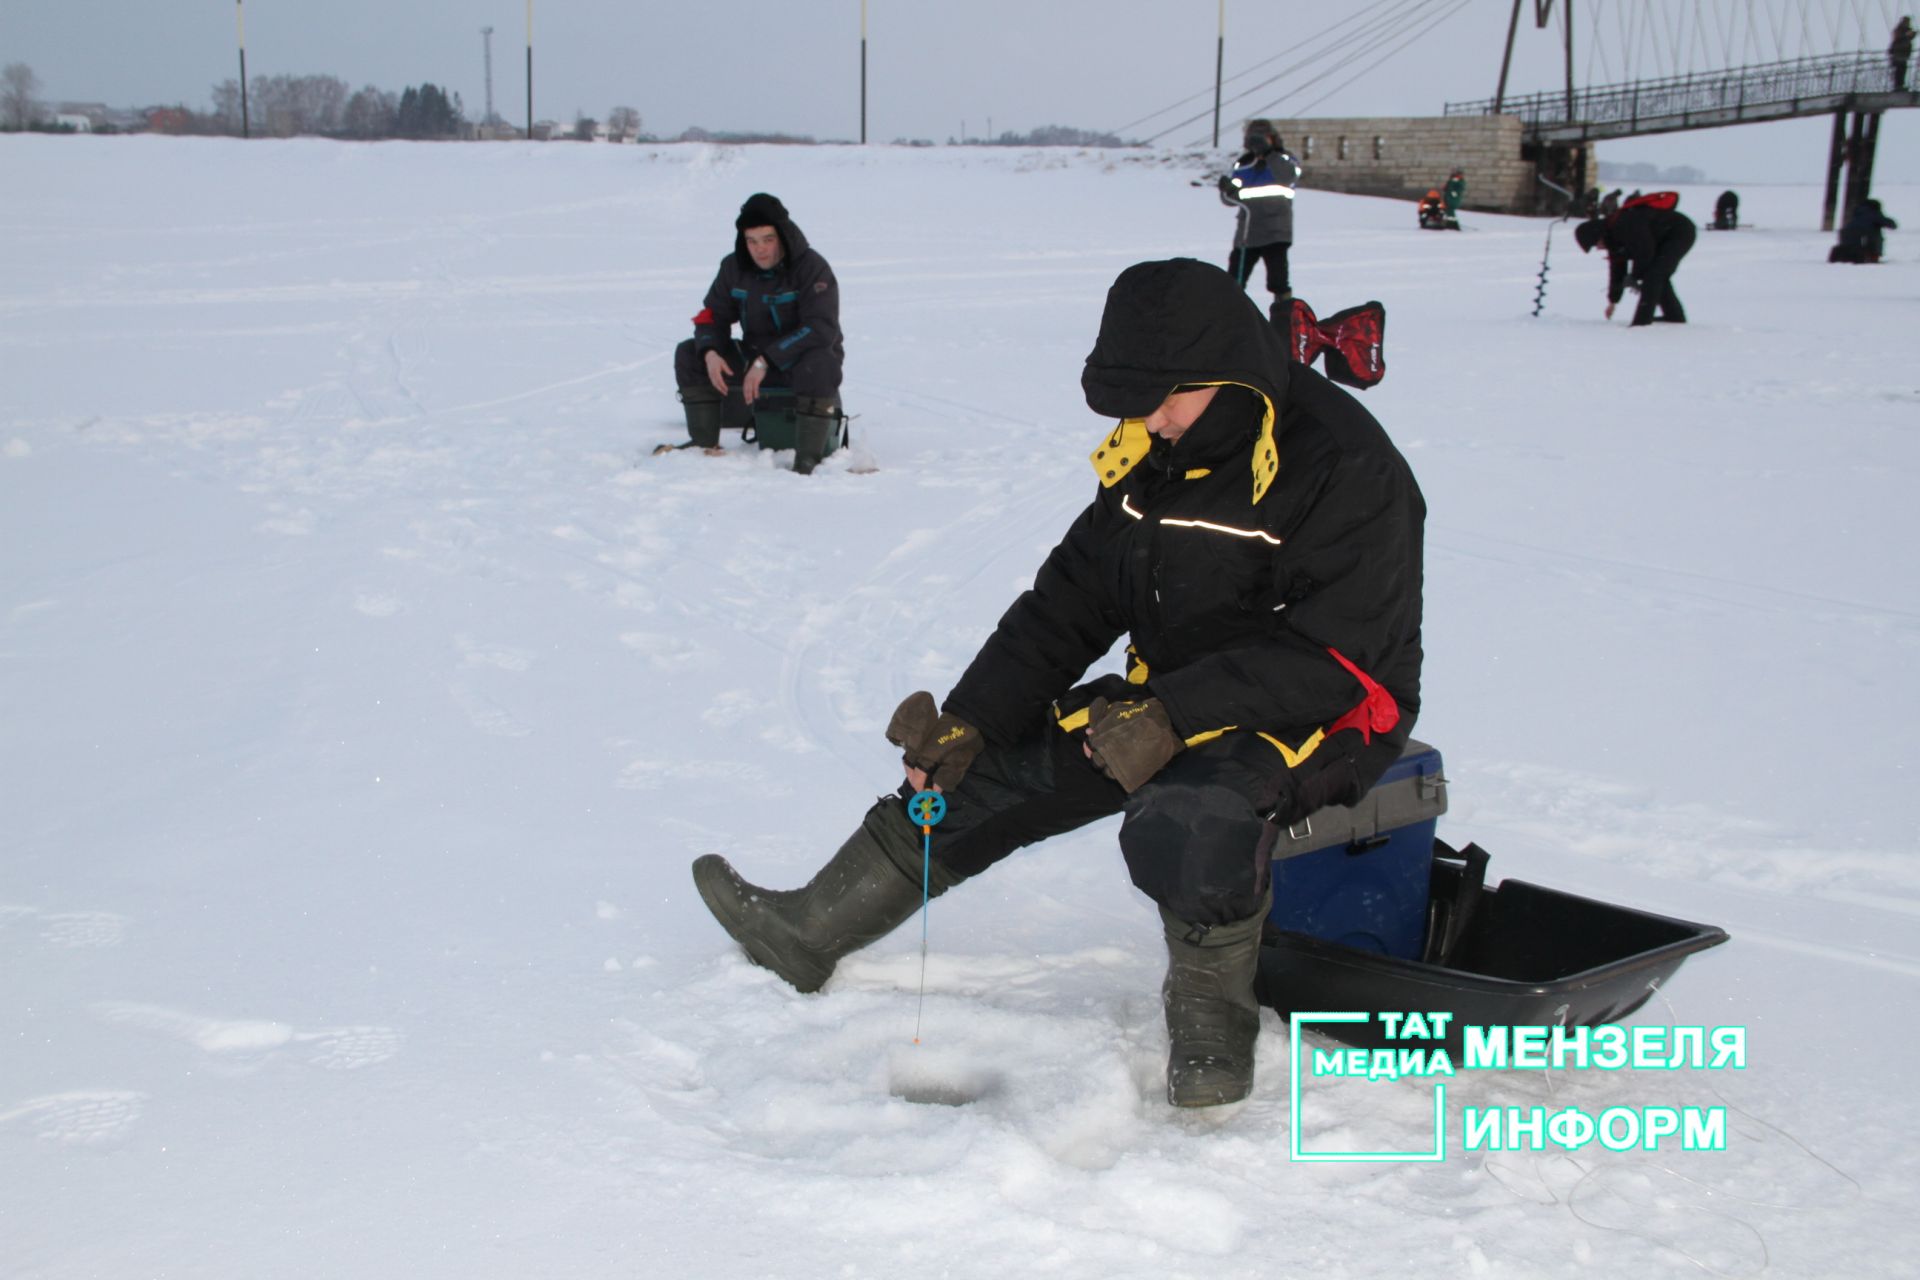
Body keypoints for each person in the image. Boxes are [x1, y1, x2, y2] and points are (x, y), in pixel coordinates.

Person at [690, 258, 1426, 1110]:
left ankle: (1214, 1026)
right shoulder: (1161, 449)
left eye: (1165, 401)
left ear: (1225, 374)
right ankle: (808, 931)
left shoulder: (1345, 465)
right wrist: (972, 717)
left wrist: (1172, 711)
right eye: (1136, 403)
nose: (1148, 420)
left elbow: (1335, 657)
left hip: (1328, 706)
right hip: (1176, 692)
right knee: (990, 768)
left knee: (1189, 819)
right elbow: (1070, 600)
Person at [672, 192, 844, 473]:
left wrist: (768, 359)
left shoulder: (812, 267)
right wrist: (711, 351)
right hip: (753, 360)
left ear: (784, 236)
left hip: (798, 361)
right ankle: (703, 445)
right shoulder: (733, 267)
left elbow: (820, 328)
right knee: (689, 352)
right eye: (751, 241)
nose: (759, 249)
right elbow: (711, 315)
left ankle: (808, 459)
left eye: (768, 239)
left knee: (821, 363)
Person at [1217, 119, 1302, 324]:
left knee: (1278, 280)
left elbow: (1289, 176)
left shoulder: (1284, 159)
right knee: (1234, 281)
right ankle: (1231, 320)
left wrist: (1270, 155)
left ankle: (1283, 320)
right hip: (1247, 234)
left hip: (1276, 232)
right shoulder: (1243, 164)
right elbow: (1230, 200)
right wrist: (1227, 190)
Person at [1574, 195, 1696, 326]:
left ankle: (1641, 322)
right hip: (1662, 237)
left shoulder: (1625, 224)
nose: (1598, 248)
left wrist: (1635, 275)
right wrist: (1613, 300)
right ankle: (1674, 316)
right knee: (1656, 274)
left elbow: (1645, 252)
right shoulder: (1612, 237)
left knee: (1654, 275)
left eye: (1596, 244)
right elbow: (1617, 269)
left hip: (1680, 232)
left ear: (1598, 234)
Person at [1833, 198, 1899, 263]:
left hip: (1846, 236)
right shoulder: (1874, 213)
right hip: (1865, 238)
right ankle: (1871, 257)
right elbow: (1892, 225)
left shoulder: (1856, 214)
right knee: (1875, 236)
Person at [1892, 17, 1914, 91]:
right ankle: (1898, 86)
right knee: (1899, 70)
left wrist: (1912, 34)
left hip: (1904, 54)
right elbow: (1897, 37)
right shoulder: (1899, 29)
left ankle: (1900, 85)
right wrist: (1907, 35)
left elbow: (1910, 37)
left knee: (1903, 69)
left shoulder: (1906, 30)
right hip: (1898, 53)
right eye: (1907, 22)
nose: (1908, 23)